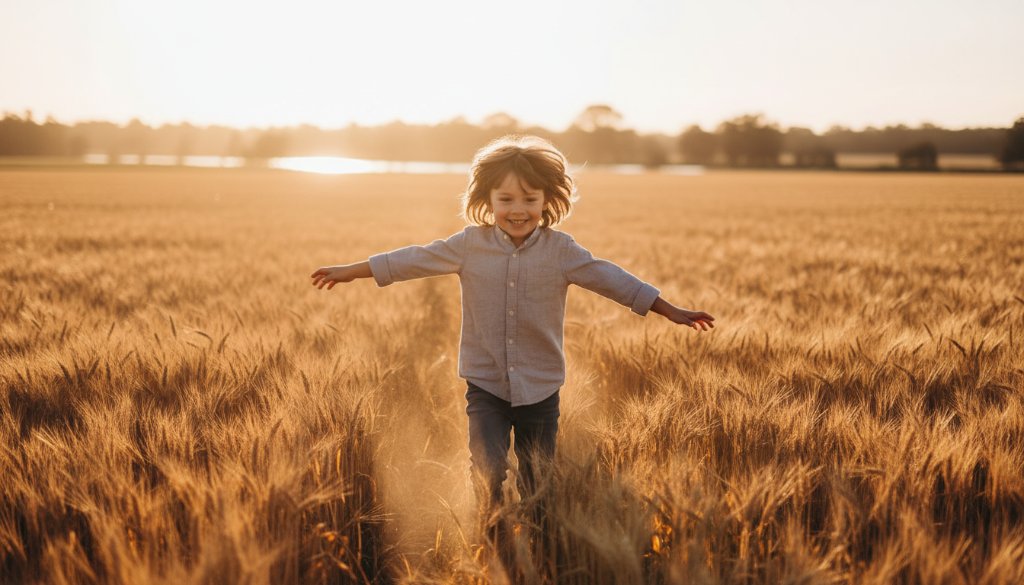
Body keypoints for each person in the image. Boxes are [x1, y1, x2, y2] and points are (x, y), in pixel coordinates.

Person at [310, 134, 714, 548]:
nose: (517, 210)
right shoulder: (468, 245)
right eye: (505, 200)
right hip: (485, 384)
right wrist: (352, 270)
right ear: (486, 200)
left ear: (547, 200)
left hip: (541, 387)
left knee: (538, 474)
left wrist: (669, 310)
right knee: (486, 467)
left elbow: (611, 279)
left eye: (529, 200)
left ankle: (540, 540)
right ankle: (492, 536)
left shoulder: (562, 251)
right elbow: (413, 258)